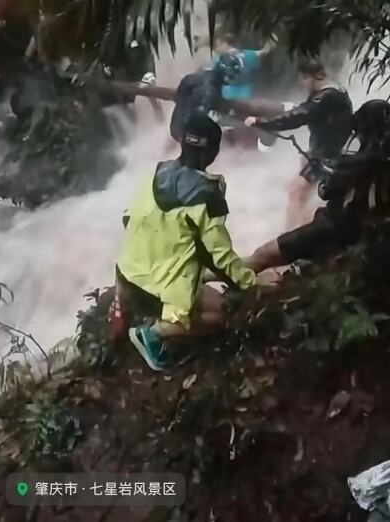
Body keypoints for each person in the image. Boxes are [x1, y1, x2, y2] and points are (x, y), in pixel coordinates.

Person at [115, 115, 258, 371]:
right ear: (214, 151)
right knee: (223, 315)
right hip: (159, 286)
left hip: (127, 273)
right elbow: (219, 257)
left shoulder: (156, 173)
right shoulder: (207, 195)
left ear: (182, 142)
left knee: (197, 285)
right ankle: (154, 334)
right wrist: (251, 287)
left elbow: (127, 218)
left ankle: (137, 309)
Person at [241, 99, 390, 274]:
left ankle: (209, 277)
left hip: (335, 229)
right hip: (357, 234)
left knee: (262, 256)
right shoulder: (376, 159)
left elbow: (328, 190)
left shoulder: (360, 163)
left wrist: (327, 168)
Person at [249, 57, 353, 230]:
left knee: (296, 194)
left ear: (317, 76)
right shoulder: (337, 92)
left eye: (305, 78)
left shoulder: (326, 97)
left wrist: (259, 122)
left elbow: (297, 116)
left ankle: (289, 240)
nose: (302, 83)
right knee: (299, 191)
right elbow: (329, 127)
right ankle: (303, 227)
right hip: (325, 153)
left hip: (327, 158)